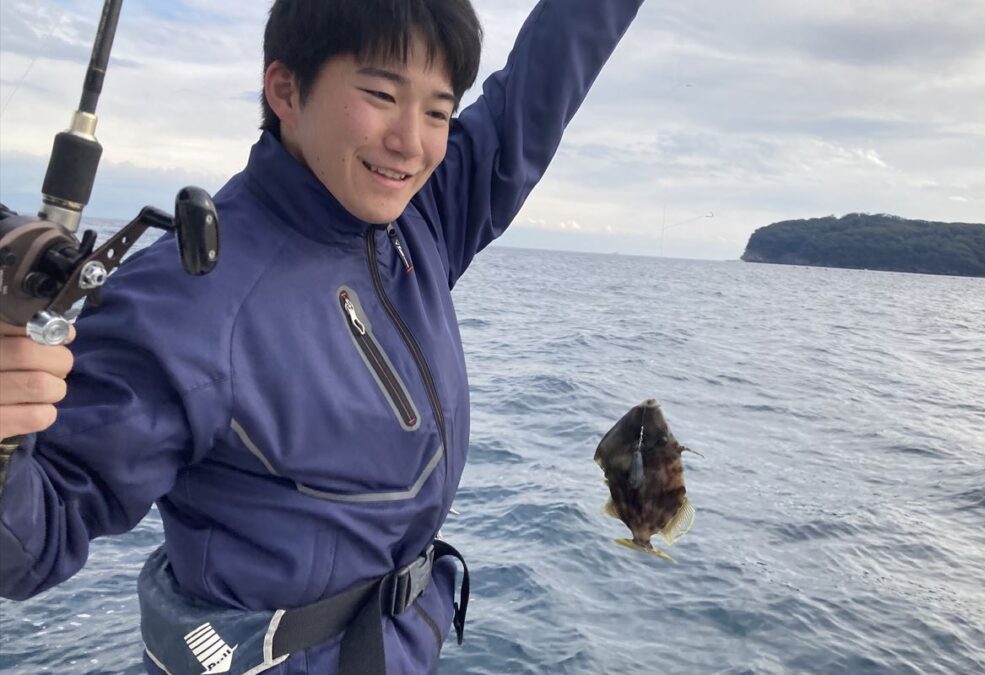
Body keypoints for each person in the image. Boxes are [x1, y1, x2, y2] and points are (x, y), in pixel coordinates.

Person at [0, 0, 644, 672]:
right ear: (284, 89)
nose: (412, 141)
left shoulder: (422, 219)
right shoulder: (181, 303)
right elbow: (29, 542)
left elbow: (543, 82)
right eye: (380, 94)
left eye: (437, 110)